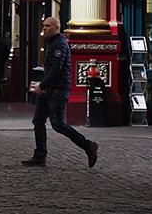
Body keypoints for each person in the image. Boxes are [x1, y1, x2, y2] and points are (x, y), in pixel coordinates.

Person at [22, 16, 98, 168]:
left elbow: (56, 69)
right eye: (43, 25)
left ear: (57, 28)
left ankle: (88, 145)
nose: (44, 28)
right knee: (38, 121)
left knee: (58, 125)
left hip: (58, 89)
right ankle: (40, 155)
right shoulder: (50, 43)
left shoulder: (59, 45)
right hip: (48, 89)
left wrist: (42, 85)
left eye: (48, 26)